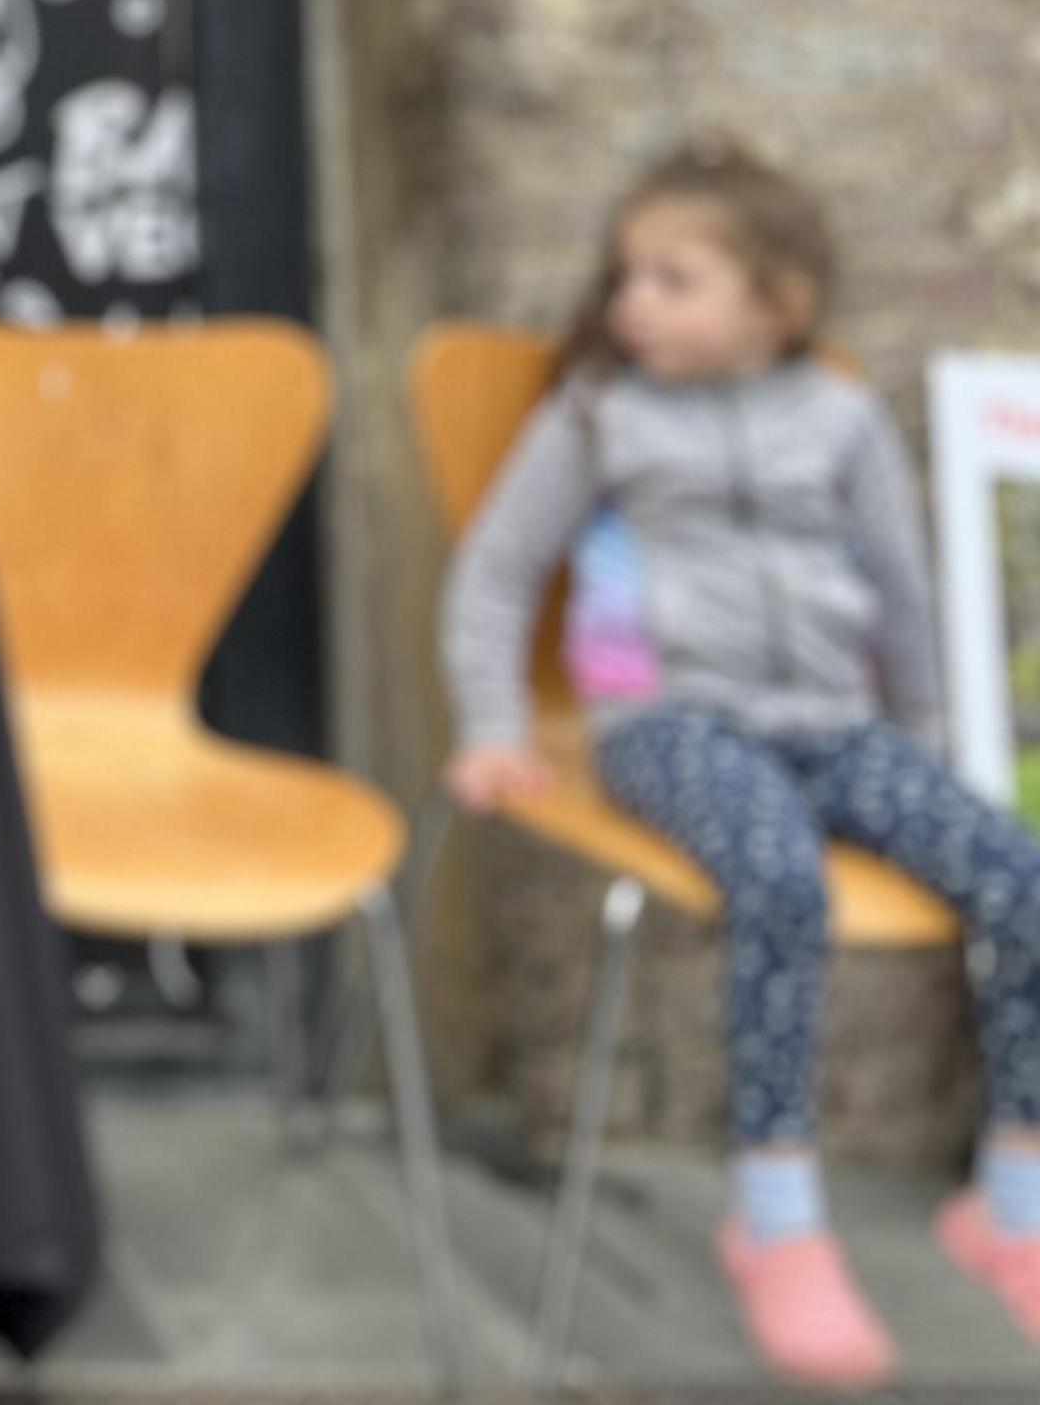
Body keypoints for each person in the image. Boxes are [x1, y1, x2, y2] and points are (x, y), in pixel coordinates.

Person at [440, 136, 1040, 1387]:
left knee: (1017, 874)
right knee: (778, 879)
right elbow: (495, 574)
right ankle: (775, 1214)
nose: (631, 304)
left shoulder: (840, 415)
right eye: (626, 277)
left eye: (672, 278)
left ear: (782, 300)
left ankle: (1013, 1195)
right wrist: (495, 726)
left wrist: (921, 753)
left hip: (836, 724)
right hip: (669, 723)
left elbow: (902, 592)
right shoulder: (598, 414)